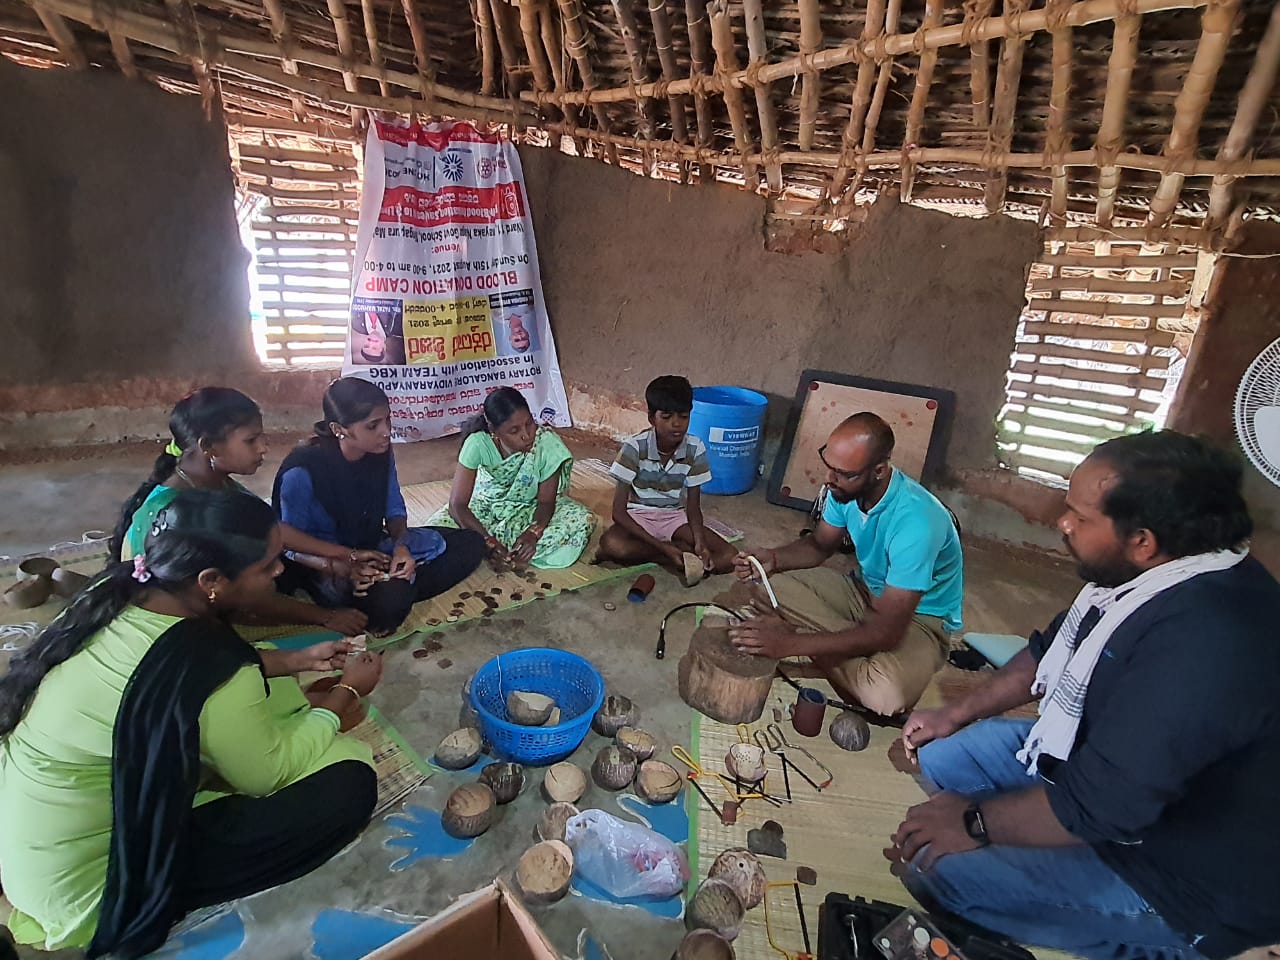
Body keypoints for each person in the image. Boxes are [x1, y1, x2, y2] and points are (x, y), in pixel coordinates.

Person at [887, 431, 1280, 960]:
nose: (1062, 522)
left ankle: (1158, 944)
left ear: (1142, 539)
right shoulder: (1152, 572)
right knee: (938, 754)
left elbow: (1103, 806)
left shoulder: (1205, 639)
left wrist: (973, 823)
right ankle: (1036, 853)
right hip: (1109, 773)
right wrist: (953, 713)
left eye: (1080, 516)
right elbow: (1050, 650)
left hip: (1184, 874)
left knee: (936, 868)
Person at [0, 490, 383, 957]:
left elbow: (174, 678)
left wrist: (298, 659)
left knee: (279, 690)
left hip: (31, 851)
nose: (281, 571)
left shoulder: (119, 589)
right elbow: (268, 774)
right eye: (267, 566)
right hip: (97, 888)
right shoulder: (209, 658)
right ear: (211, 580)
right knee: (350, 779)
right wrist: (346, 694)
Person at [728, 412, 962, 717]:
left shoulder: (917, 523)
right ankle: (842, 648)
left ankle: (821, 643)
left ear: (878, 470)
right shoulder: (844, 491)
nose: (830, 479)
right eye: (829, 466)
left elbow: (887, 634)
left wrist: (792, 644)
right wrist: (772, 559)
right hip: (862, 592)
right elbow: (819, 545)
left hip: (919, 619)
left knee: (883, 696)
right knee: (762, 584)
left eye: (843, 473)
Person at [110, 387, 377, 636]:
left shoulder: (216, 481)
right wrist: (324, 616)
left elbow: (270, 530)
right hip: (172, 627)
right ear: (209, 447)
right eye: (251, 440)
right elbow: (241, 587)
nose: (264, 447)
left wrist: (345, 554)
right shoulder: (177, 511)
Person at [272, 377, 487, 635]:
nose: (386, 432)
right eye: (373, 425)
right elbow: (288, 542)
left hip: (372, 547)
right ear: (339, 429)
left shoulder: (380, 451)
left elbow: (394, 508)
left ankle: (397, 584)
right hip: (324, 562)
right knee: (390, 602)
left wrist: (401, 548)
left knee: (472, 543)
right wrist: (343, 562)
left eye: (388, 420)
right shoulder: (303, 471)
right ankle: (389, 592)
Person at [429, 387, 595, 568]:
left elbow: (546, 503)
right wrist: (487, 541)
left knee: (582, 519)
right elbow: (457, 504)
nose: (526, 435)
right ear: (494, 430)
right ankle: (498, 548)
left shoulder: (547, 443)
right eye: (514, 431)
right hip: (485, 508)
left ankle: (502, 548)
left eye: (529, 424)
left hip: (528, 509)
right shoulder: (477, 443)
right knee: (436, 533)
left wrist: (534, 532)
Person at [598, 375, 738, 582]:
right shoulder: (634, 447)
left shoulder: (695, 448)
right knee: (612, 544)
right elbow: (619, 512)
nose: (676, 424)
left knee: (729, 558)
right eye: (667, 417)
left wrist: (700, 545)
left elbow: (693, 506)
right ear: (651, 418)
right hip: (639, 516)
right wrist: (663, 547)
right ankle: (672, 554)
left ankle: (676, 554)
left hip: (673, 517)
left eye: (683, 417)